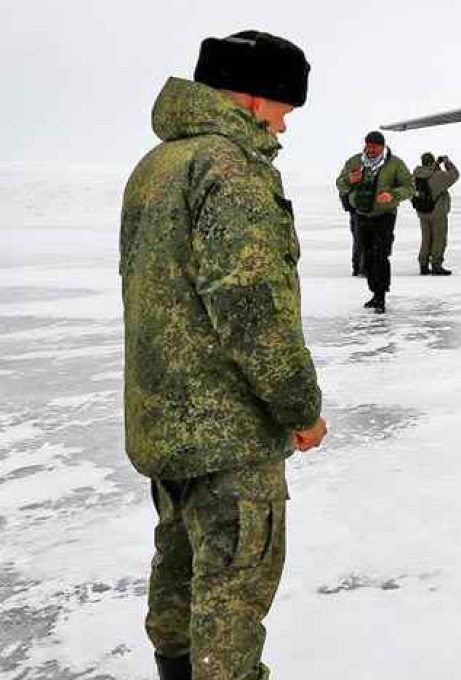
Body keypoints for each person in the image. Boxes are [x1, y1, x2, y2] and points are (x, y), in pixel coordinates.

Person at [120, 31, 327, 680]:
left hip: (166, 423)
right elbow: (252, 313)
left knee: (178, 578)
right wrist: (301, 407)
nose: (286, 121)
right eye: (285, 105)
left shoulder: (159, 166)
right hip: (227, 437)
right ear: (253, 94)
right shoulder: (229, 168)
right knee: (231, 604)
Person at [337, 131, 413, 312]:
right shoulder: (355, 162)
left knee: (381, 255)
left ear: (382, 146)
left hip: (384, 216)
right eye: (368, 145)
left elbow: (410, 187)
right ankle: (374, 292)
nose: (370, 149)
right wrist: (349, 180)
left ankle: (380, 295)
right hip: (361, 215)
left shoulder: (394, 164)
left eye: (374, 146)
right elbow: (340, 183)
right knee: (367, 257)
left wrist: (393, 194)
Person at [411, 152, 461, 276]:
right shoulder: (438, 176)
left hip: (422, 212)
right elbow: (455, 175)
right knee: (439, 239)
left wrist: (436, 166)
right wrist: (447, 162)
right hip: (437, 212)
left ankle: (423, 265)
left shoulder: (415, 176)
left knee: (426, 239)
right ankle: (436, 264)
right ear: (432, 161)